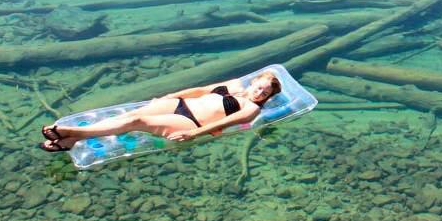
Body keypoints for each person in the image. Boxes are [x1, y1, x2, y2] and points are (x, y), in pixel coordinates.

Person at [40, 71, 282, 152]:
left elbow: (223, 125)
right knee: (126, 117)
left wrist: (193, 135)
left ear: (268, 97)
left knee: (135, 119)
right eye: (259, 87)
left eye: (265, 93)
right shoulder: (236, 84)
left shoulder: (250, 109)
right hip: (179, 104)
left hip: (192, 122)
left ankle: (74, 133)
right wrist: (173, 96)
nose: (259, 93)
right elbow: (201, 90)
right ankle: (70, 141)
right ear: (254, 82)